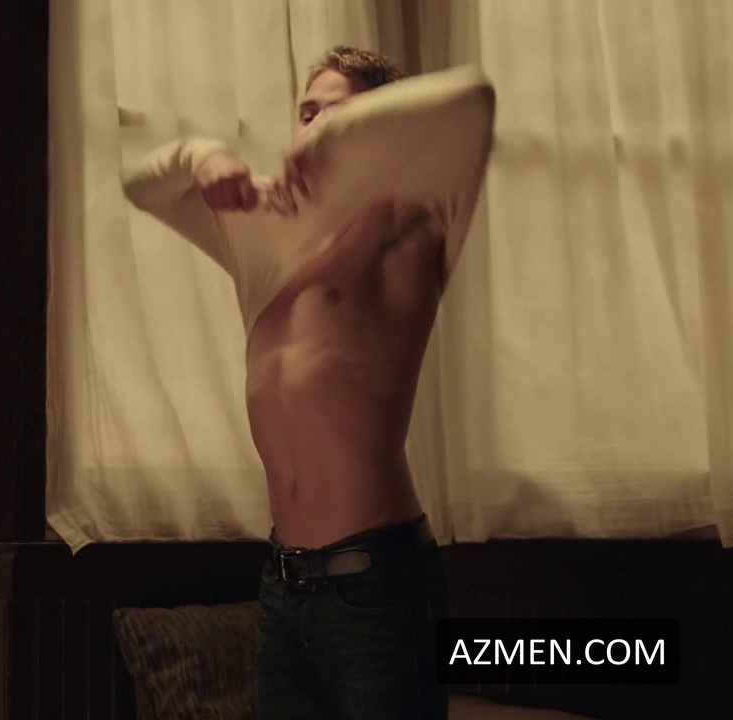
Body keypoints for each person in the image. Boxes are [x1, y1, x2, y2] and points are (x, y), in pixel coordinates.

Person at [121, 46, 496, 719]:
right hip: (283, 583)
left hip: (377, 585)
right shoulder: (263, 227)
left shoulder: (414, 221)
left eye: (338, 112)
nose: (316, 124)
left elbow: (472, 99)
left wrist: (336, 137)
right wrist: (202, 154)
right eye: (307, 112)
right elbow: (139, 185)